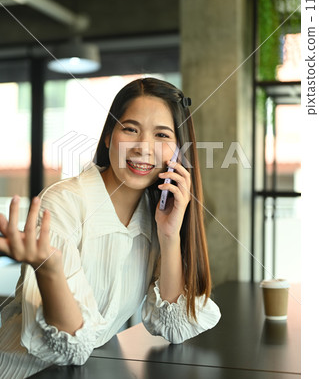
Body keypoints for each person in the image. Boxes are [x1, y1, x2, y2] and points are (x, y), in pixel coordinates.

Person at [0, 77, 221, 378]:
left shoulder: (154, 214)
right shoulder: (65, 204)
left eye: (161, 135)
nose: (143, 148)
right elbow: (71, 351)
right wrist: (49, 269)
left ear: (178, 152)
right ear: (108, 137)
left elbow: (174, 328)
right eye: (130, 129)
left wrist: (169, 236)